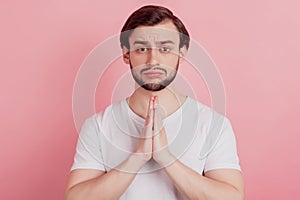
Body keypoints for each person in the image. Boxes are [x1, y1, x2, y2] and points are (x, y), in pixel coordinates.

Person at [65, 5, 244, 200]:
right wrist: (138, 158)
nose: (153, 60)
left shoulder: (212, 124)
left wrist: (165, 158)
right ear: (126, 54)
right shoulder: (98, 126)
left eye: (165, 49)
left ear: (181, 54)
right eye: (142, 49)